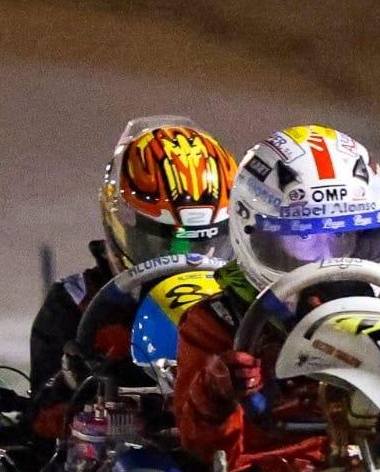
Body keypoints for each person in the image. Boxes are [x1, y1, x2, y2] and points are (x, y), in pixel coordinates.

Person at [172, 125, 380, 472]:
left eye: (342, 236)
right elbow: (201, 445)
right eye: (307, 238)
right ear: (256, 234)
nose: (327, 256)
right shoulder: (218, 320)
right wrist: (216, 390)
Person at [25, 116, 237, 441]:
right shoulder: (77, 302)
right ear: (119, 224)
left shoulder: (245, 303)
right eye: (164, 243)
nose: (185, 258)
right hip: (122, 462)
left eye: (204, 243)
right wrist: (84, 380)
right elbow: (41, 421)